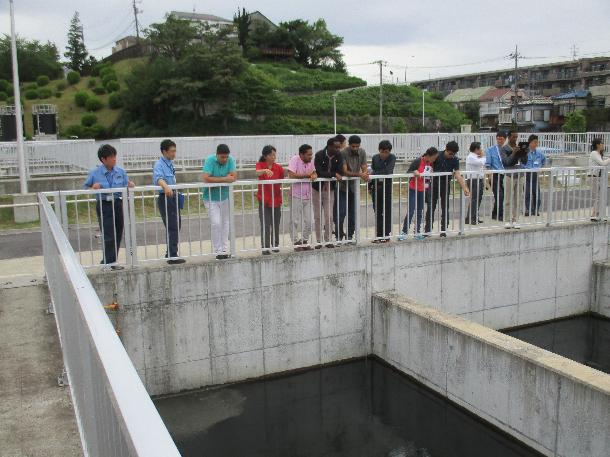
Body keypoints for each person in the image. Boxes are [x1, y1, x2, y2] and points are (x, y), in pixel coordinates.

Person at [84, 144, 134, 269]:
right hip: (104, 204)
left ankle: (111, 260)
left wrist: (130, 185)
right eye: (111, 157)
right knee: (108, 233)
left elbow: (126, 185)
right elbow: (85, 187)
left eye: (114, 156)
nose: (114, 159)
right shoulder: (95, 173)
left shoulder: (120, 172)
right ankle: (108, 262)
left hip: (117, 203)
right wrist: (92, 188)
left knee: (118, 232)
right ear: (103, 159)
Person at [424, 141, 470, 237]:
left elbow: (457, 174)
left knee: (445, 208)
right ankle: (427, 230)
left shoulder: (455, 160)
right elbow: (427, 163)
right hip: (434, 184)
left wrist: (464, 187)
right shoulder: (437, 155)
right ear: (446, 149)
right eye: (450, 153)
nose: (451, 156)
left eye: (453, 154)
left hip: (445, 184)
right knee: (431, 207)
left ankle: (443, 230)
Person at [202, 144, 237, 260]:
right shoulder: (210, 160)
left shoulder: (231, 159)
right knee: (216, 223)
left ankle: (224, 249)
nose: (225, 159)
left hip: (225, 197)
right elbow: (206, 178)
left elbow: (234, 177)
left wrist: (217, 179)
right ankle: (218, 250)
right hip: (211, 198)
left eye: (226, 157)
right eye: (222, 157)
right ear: (216, 155)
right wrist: (224, 179)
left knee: (225, 223)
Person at [153, 139, 185, 265]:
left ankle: (171, 253)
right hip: (166, 197)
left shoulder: (170, 163)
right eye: (172, 151)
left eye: (175, 151)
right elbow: (158, 178)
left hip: (173, 196)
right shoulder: (159, 164)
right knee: (172, 226)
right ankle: (172, 255)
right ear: (164, 151)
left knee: (177, 225)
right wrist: (165, 186)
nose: (174, 153)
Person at [399, 147, 439, 240]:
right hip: (413, 188)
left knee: (420, 211)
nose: (435, 159)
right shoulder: (418, 161)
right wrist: (414, 171)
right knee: (411, 210)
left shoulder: (430, 163)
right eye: (434, 157)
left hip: (423, 189)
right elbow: (408, 171)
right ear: (429, 155)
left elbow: (428, 174)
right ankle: (404, 232)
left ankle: (417, 232)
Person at [312, 137, 344, 247]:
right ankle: (318, 241)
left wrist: (335, 173)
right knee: (317, 216)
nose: (338, 149)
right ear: (329, 146)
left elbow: (340, 171)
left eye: (339, 147)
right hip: (317, 189)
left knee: (329, 216)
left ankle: (328, 240)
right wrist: (333, 174)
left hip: (330, 189)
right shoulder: (319, 155)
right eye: (336, 147)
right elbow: (319, 172)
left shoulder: (339, 155)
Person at [336, 135, 368, 243]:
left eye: (357, 146)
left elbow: (364, 167)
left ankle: (350, 236)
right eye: (353, 146)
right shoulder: (343, 153)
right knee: (341, 213)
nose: (355, 148)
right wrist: (360, 175)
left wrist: (365, 174)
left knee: (353, 213)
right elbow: (345, 171)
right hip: (342, 187)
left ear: (359, 145)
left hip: (354, 188)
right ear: (349, 145)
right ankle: (339, 236)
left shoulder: (362, 152)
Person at [255, 145, 284, 255]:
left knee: (276, 223)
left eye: (274, 155)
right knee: (265, 224)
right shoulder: (260, 165)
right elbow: (257, 172)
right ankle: (265, 247)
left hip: (276, 199)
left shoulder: (279, 168)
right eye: (272, 155)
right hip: (264, 199)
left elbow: (281, 180)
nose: (274, 157)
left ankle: (275, 244)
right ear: (265, 156)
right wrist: (265, 170)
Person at [288, 144, 317, 250]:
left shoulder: (311, 161)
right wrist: (307, 175)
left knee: (310, 221)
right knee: (294, 220)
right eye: (308, 155)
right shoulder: (294, 159)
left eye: (311, 154)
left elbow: (314, 173)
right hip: (296, 195)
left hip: (308, 195)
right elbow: (291, 174)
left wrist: (314, 175)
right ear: (301, 154)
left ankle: (304, 241)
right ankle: (295, 242)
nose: (311, 157)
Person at [370, 140, 396, 242]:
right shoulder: (375, 158)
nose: (385, 154)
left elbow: (388, 171)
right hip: (376, 188)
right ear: (379, 150)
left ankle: (386, 235)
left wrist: (374, 173)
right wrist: (370, 186)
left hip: (387, 187)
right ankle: (379, 235)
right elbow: (371, 171)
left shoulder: (392, 157)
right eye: (383, 152)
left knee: (387, 211)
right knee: (378, 212)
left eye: (387, 152)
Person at [486, 131, 508, 221]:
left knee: (502, 195)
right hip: (495, 174)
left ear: (505, 139)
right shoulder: (491, 150)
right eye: (498, 138)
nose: (499, 140)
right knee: (499, 195)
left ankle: (494, 213)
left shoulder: (507, 149)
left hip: (505, 175)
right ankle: (500, 214)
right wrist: (489, 176)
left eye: (501, 139)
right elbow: (488, 164)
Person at [523, 134, 546, 217]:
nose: (535, 144)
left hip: (535, 174)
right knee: (527, 193)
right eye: (534, 142)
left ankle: (535, 210)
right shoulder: (525, 153)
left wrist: (542, 169)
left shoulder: (539, 154)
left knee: (536, 193)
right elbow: (521, 162)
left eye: (537, 142)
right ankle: (528, 209)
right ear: (529, 143)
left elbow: (544, 161)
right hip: (527, 174)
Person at [465, 142, 486, 225]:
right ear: (476, 149)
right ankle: (471, 218)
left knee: (478, 198)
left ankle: (473, 217)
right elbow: (481, 163)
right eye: (479, 148)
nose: (481, 150)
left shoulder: (476, 157)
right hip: (473, 179)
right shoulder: (471, 157)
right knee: (474, 199)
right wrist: (483, 156)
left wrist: (482, 157)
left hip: (479, 179)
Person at [589, 138, 610, 221]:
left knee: (601, 196)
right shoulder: (594, 153)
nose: (603, 145)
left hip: (598, 177)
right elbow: (602, 163)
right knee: (598, 197)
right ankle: (594, 215)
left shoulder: (598, 154)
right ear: (598, 145)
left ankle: (599, 215)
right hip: (593, 177)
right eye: (602, 143)